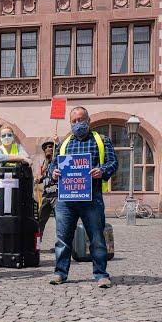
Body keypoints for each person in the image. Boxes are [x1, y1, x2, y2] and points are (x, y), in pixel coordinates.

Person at [49, 107, 117, 289]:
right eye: (74, 121)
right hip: (66, 199)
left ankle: (101, 274)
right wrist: (53, 173)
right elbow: (53, 166)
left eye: (81, 119)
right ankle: (60, 273)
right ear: (70, 123)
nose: (78, 124)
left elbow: (113, 163)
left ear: (89, 120)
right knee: (62, 239)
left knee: (96, 238)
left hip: (91, 198)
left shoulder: (101, 140)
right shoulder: (64, 143)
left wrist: (101, 171)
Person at [0, 125, 31, 217]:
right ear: (0, 137)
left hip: (16, 189)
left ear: (13, 136)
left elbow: (26, 158)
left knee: (15, 217)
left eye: (9, 134)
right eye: (3, 135)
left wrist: (21, 158)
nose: (6, 137)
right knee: (0, 219)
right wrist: (19, 157)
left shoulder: (18, 147)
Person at [35, 139, 58, 247]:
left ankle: (60, 244)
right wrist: (38, 180)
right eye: (46, 148)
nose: (48, 149)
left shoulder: (58, 160)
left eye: (50, 147)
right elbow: (45, 177)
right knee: (40, 221)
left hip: (57, 195)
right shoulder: (45, 163)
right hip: (46, 195)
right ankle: (37, 244)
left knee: (60, 221)